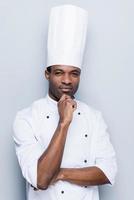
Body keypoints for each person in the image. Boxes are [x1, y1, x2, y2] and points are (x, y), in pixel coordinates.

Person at [13, 4, 117, 200]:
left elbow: (107, 172)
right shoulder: (26, 118)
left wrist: (60, 173)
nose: (67, 80)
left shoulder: (94, 117)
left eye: (74, 73)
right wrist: (64, 123)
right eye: (59, 72)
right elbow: (42, 179)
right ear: (47, 74)